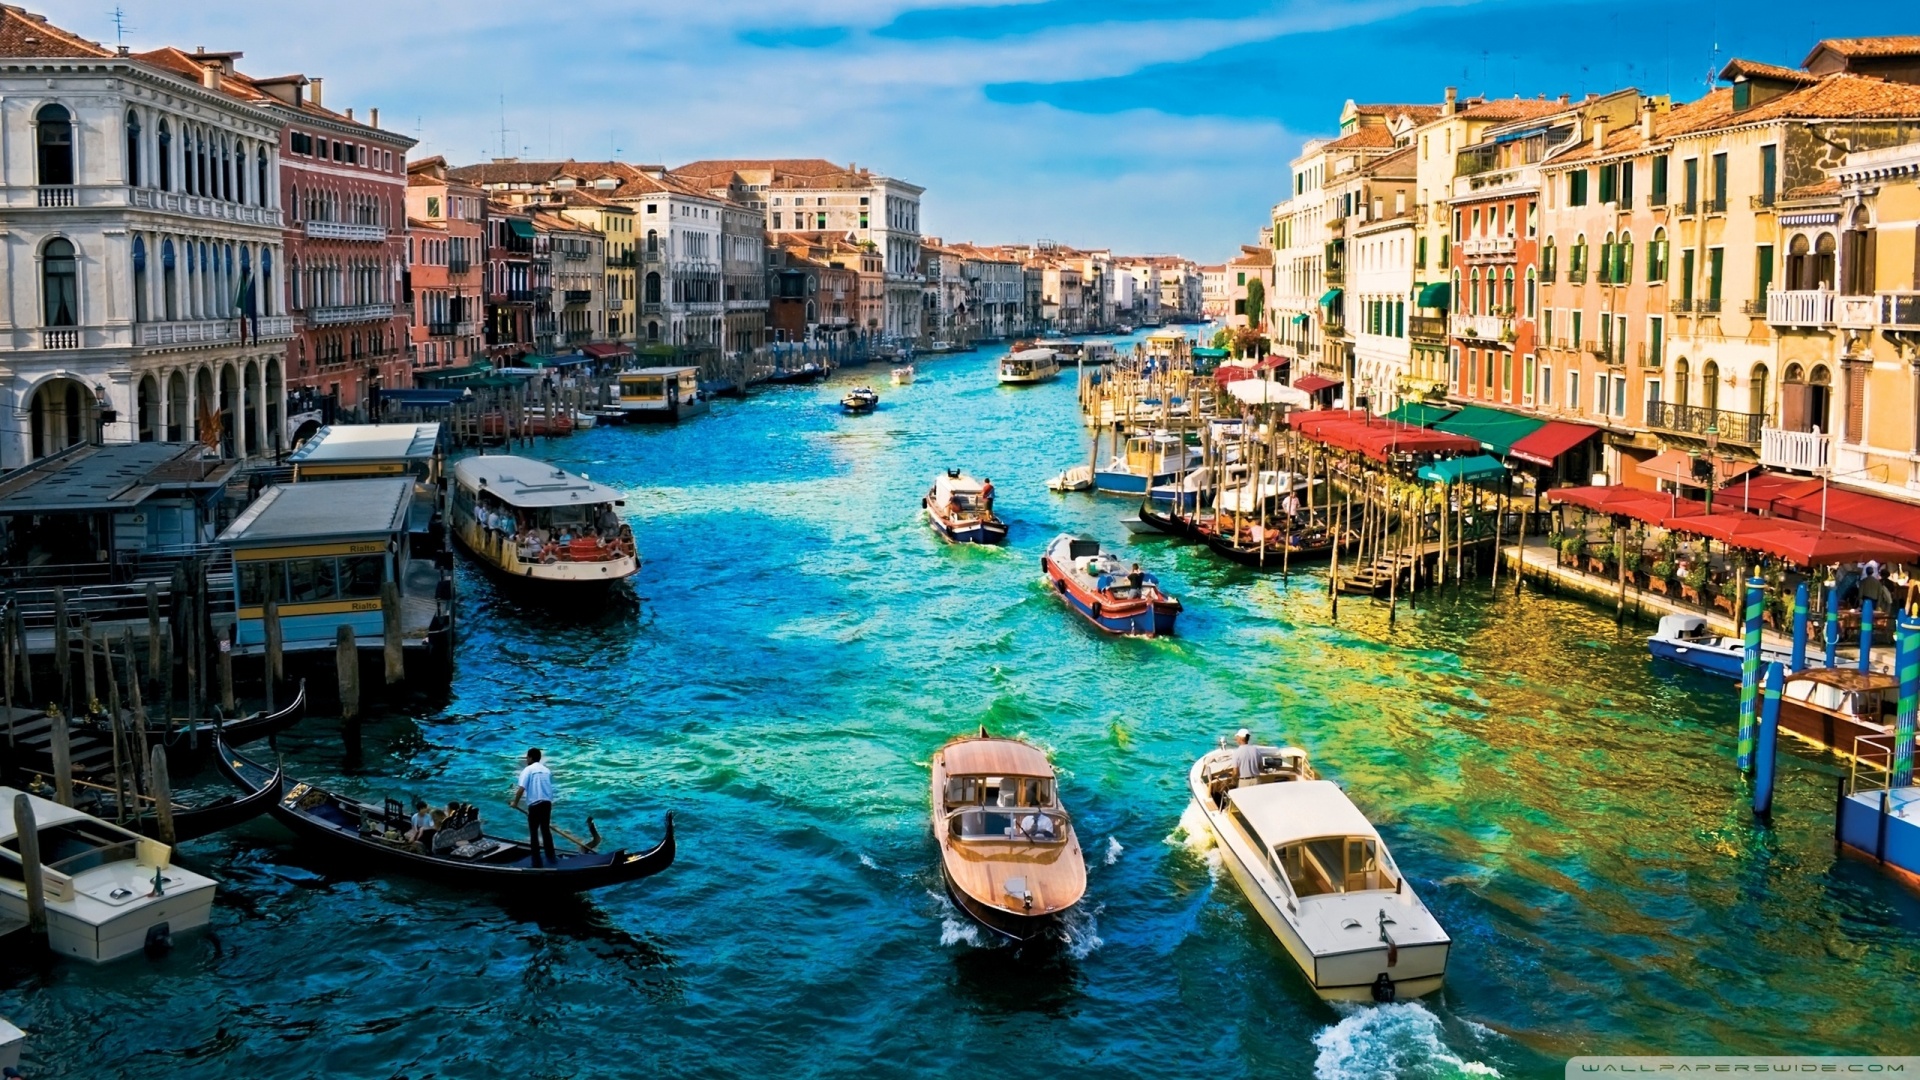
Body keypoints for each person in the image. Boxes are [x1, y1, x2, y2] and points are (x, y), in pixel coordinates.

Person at [511, 748, 559, 866]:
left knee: (534, 832)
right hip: (547, 804)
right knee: (545, 830)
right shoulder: (547, 770)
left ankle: (536, 860)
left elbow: (521, 789)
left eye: (527, 757)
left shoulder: (527, 770)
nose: (526, 759)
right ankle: (551, 857)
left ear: (531, 758)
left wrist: (515, 803)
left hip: (535, 804)